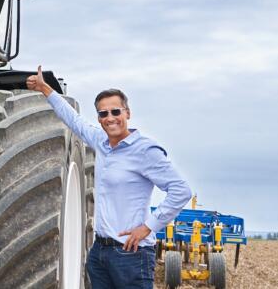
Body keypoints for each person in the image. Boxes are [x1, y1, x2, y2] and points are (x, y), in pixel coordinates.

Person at [26, 67, 191, 289]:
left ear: (127, 113)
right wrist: (45, 89)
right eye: (103, 114)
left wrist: (148, 227)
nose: (110, 118)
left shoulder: (145, 150)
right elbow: (74, 121)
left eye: (115, 111)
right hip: (100, 253)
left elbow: (181, 190)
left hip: (131, 255)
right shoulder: (101, 143)